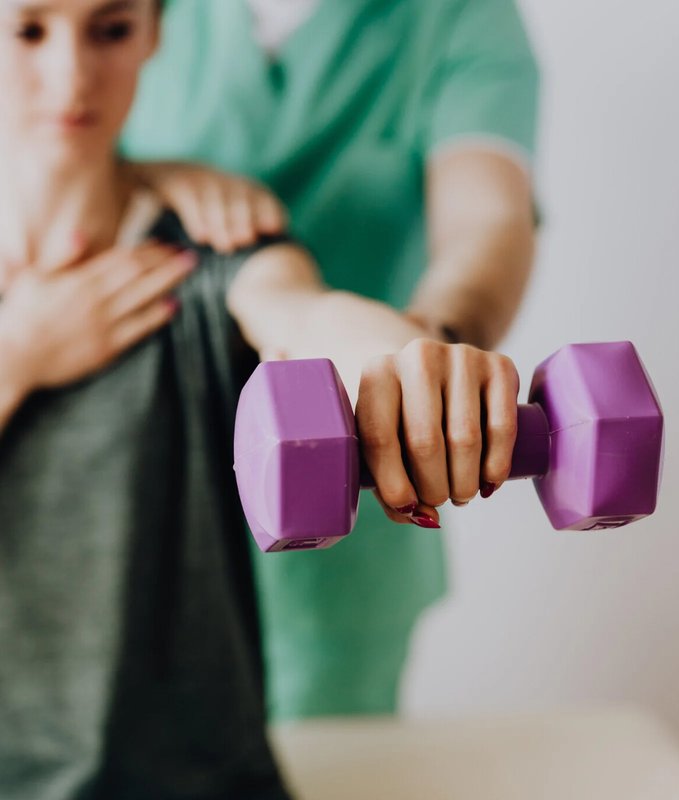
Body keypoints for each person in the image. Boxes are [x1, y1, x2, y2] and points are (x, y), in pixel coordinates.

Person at [0, 0, 521, 795]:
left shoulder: (210, 253)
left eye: (110, 30)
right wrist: (17, 357)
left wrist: (409, 359)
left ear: (153, 33)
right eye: (28, 31)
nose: (71, 77)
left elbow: (303, 311)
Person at [120, 0, 541, 720]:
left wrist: (421, 356)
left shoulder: (457, 18)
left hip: (347, 528)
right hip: (131, 511)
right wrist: (141, 178)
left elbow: (488, 220)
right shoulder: (132, 17)